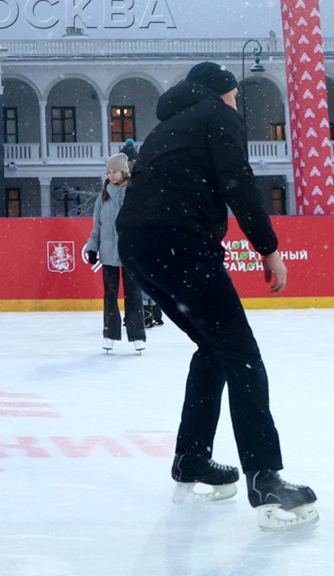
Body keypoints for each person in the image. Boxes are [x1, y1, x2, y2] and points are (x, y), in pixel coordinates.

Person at [116, 62, 318, 531]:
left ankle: (192, 460)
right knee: (242, 355)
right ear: (222, 92)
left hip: (140, 245)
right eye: (233, 94)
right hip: (180, 242)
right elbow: (237, 181)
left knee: (213, 348)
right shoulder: (217, 115)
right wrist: (268, 248)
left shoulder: (166, 127)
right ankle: (265, 477)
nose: (236, 103)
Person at [86, 153, 146, 353]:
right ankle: (110, 334)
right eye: (109, 172)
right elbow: (98, 226)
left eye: (115, 171)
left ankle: (137, 335)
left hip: (130, 253)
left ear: (124, 172)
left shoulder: (134, 194)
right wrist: (92, 247)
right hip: (109, 254)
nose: (112, 175)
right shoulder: (103, 197)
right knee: (110, 295)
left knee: (133, 295)